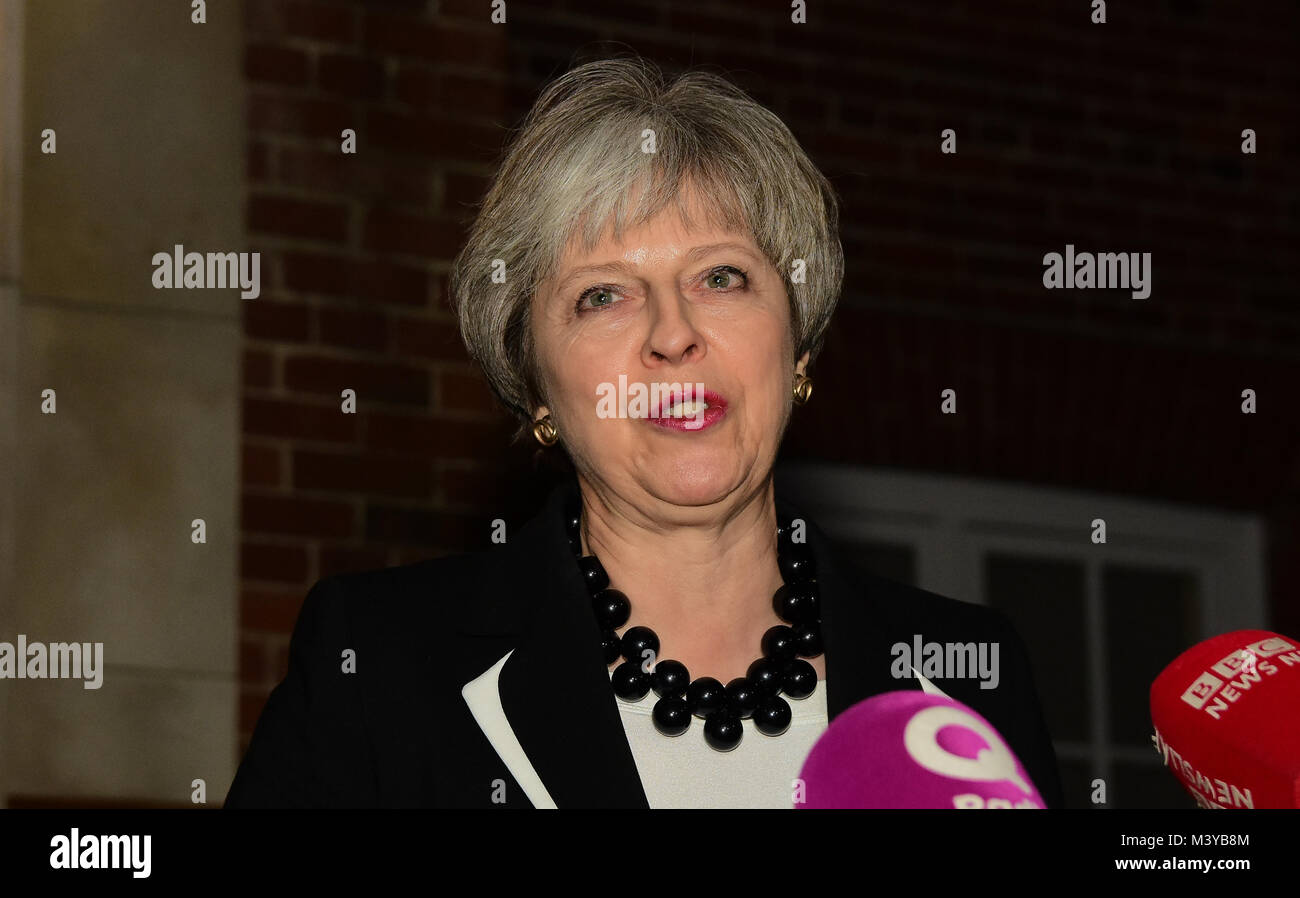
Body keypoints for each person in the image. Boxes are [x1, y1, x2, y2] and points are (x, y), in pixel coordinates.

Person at [225, 55, 1063, 809]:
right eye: (603, 295)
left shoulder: (962, 673)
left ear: (799, 345)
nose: (672, 332)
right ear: (536, 387)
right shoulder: (381, 666)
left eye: (721, 276)